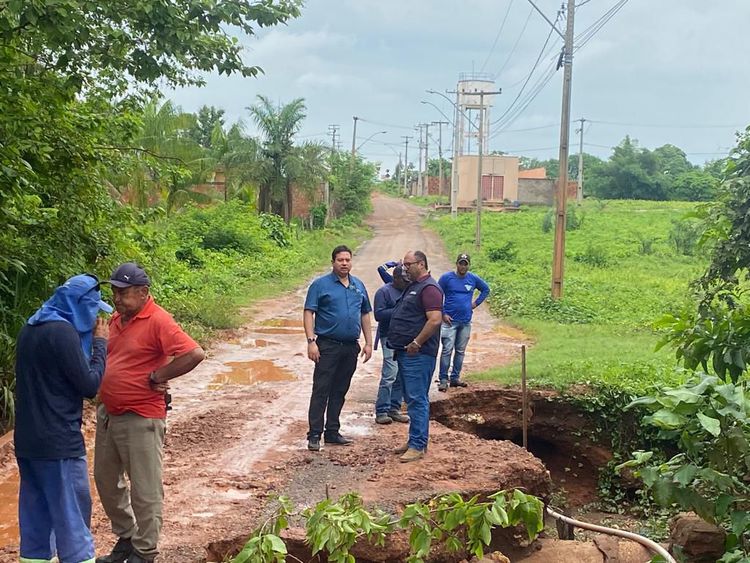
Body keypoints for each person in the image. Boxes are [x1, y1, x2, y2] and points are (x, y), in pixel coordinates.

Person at [95, 263, 205, 563]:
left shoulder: (158, 320)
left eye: (124, 292)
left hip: (141, 415)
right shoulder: (117, 319)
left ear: (143, 292)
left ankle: (145, 552)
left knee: (145, 489)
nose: (117, 298)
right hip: (109, 413)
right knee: (105, 479)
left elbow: (194, 353)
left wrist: (159, 376)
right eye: (115, 291)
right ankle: (127, 538)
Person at [14, 274, 111, 563]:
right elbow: (90, 385)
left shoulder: (31, 327)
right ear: (80, 305)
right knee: (73, 521)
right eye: (94, 308)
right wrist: (100, 345)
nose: (95, 317)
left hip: (28, 443)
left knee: (36, 522)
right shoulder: (62, 332)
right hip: (60, 443)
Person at [303, 245, 373, 452]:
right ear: (333, 262)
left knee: (340, 390)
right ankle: (315, 434)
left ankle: (332, 431)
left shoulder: (358, 285)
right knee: (321, 389)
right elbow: (309, 313)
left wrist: (369, 343)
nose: (344, 263)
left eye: (347, 260)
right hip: (327, 345)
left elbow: (365, 314)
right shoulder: (320, 285)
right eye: (340, 260)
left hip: (350, 346)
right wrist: (311, 341)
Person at [387, 250, 443, 463]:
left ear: (421, 264)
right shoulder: (414, 286)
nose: (404, 268)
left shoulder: (429, 288)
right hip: (406, 353)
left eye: (408, 264)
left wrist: (417, 342)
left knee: (417, 399)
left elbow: (435, 319)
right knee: (411, 399)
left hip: (419, 354)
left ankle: (418, 445)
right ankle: (414, 441)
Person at [437, 253, 490, 392]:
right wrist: (443, 313)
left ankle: (455, 378)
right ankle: (443, 379)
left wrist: (475, 303)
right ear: (456, 264)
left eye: (465, 263)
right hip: (449, 321)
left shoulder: (472, 278)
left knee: (460, 351)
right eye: (461, 263)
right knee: (447, 350)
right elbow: (435, 294)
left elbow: (486, 289)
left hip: (465, 321)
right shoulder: (447, 278)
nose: (463, 266)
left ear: (468, 265)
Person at [373, 263, 409, 425]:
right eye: (403, 279)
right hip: (389, 336)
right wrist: (398, 311)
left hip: (405, 337)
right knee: (390, 374)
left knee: (401, 374)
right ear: (395, 278)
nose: (406, 282)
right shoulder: (384, 292)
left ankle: (394, 408)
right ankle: (381, 410)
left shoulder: (408, 289)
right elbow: (379, 314)